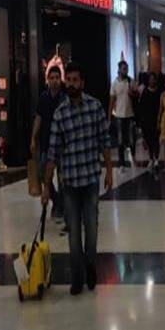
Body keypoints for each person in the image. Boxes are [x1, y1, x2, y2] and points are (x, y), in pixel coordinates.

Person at [42, 62, 113, 296]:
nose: (71, 84)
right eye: (68, 80)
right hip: (70, 183)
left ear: (82, 82)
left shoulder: (95, 107)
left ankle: (91, 265)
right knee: (73, 233)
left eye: (75, 80)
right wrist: (46, 186)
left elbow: (105, 141)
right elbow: (52, 152)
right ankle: (77, 276)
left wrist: (110, 171)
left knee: (91, 232)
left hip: (91, 180)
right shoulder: (60, 114)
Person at [30, 65, 64, 219]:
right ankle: (57, 201)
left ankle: (63, 209)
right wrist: (33, 138)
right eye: (52, 78)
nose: (55, 81)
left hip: (63, 146)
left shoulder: (65, 98)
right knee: (45, 177)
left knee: (64, 179)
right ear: (48, 80)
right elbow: (38, 118)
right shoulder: (43, 98)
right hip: (46, 144)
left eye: (57, 78)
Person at [110, 61, 136, 167]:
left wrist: (132, 93)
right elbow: (111, 100)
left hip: (130, 114)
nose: (126, 71)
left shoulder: (130, 81)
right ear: (119, 69)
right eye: (124, 68)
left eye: (127, 68)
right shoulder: (115, 83)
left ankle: (133, 158)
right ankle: (121, 162)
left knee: (131, 139)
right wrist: (109, 117)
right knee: (120, 140)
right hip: (119, 115)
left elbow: (136, 96)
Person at [138, 73, 162, 171]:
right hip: (147, 120)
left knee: (156, 140)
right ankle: (150, 158)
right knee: (149, 140)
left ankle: (156, 158)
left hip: (156, 118)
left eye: (154, 79)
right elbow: (142, 107)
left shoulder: (159, 92)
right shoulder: (145, 92)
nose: (152, 81)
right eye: (150, 79)